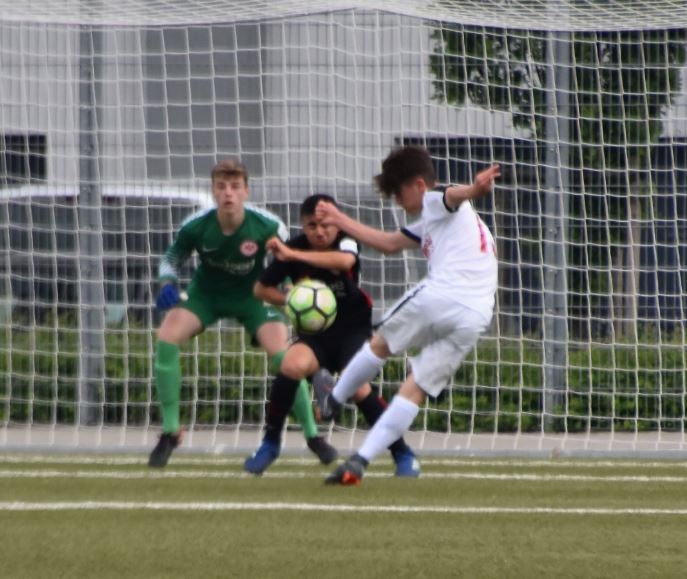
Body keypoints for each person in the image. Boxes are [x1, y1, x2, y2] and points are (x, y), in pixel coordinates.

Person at [313, 145, 500, 485]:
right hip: (475, 316)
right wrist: (339, 220)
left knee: (380, 344)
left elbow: (452, 195)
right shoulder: (446, 223)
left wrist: (474, 189)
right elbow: (388, 243)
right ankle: (359, 462)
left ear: (418, 184)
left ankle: (333, 399)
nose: (397, 200)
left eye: (398, 192)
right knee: (414, 389)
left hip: (444, 294)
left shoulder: (435, 199)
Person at [148, 159, 336, 467]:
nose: (228, 193)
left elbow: (287, 264)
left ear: (246, 191)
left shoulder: (268, 226)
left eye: (235, 187)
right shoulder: (196, 226)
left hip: (253, 296)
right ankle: (170, 432)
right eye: (221, 186)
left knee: (286, 358)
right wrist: (167, 282)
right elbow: (171, 257)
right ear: (213, 191)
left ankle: (313, 435)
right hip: (206, 295)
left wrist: (291, 291)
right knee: (167, 338)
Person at [243, 193, 420, 476]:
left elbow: (345, 262)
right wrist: (292, 301)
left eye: (326, 225)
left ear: (337, 225)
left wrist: (292, 255)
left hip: (352, 331)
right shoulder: (293, 247)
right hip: (315, 335)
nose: (320, 231)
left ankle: (402, 452)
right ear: (303, 225)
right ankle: (270, 444)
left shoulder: (346, 241)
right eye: (311, 225)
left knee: (359, 388)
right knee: (291, 365)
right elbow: (260, 289)